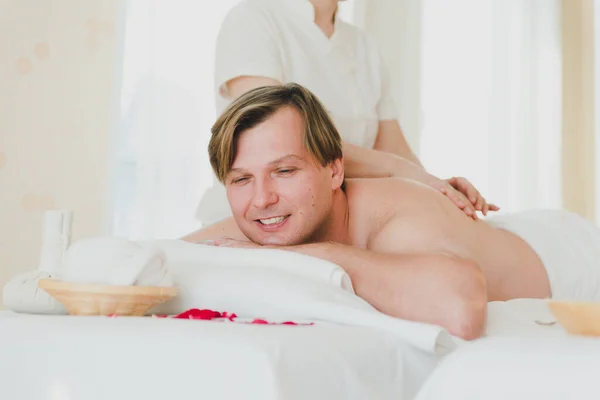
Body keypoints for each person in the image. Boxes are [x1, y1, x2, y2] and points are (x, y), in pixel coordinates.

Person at [183, 83, 600, 340]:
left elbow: (460, 312)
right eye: (241, 179)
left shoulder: (396, 217)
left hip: (569, 255)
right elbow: (154, 258)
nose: (261, 199)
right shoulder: (264, 215)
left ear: (334, 171)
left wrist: (302, 254)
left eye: (285, 171)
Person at [196, 0, 499, 224]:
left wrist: (441, 189)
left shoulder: (362, 45)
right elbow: (273, 143)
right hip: (265, 220)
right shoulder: (253, 20)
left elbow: (392, 147)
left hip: (343, 222)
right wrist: (402, 171)